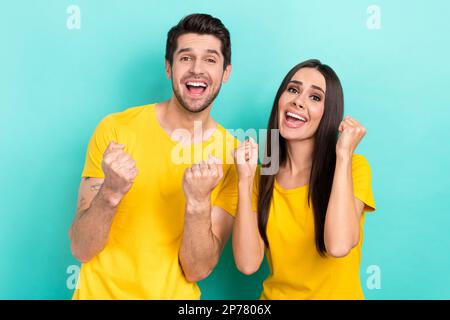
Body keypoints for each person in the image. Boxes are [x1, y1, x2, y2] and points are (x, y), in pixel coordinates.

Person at [69, 13, 239, 299]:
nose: (197, 69)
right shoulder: (115, 130)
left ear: (226, 73)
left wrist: (198, 202)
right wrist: (110, 193)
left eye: (210, 59)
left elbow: (197, 270)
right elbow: (81, 248)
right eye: (186, 58)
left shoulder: (233, 157)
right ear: (168, 68)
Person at [232, 59, 376, 299]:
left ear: (328, 112)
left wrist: (343, 155)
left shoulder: (353, 167)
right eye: (293, 89)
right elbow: (248, 265)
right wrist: (244, 180)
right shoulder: (262, 176)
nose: (298, 101)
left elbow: (338, 245)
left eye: (315, 97)